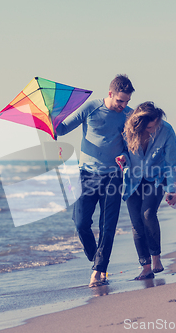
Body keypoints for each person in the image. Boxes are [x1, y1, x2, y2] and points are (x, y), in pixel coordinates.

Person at [56, 74, 135, 287]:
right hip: (86, 175)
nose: (123, 105)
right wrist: (49, 123)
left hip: (113, 177)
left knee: (107, 226)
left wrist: (125, 157)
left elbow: (131, 148)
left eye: (126, 101)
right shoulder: (90, 108)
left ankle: (99, 270)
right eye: (120, 101)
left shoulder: (128, 115)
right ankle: (96, 259)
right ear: (110, 94)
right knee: (80, 223)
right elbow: (62, 129)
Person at [116, 101, 176, 280]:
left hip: (156, 178)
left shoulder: (166, 131)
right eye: (151, 126)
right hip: (132, 180)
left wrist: (171, 190)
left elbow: (171, 163)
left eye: (156, 124)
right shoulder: (127, 130)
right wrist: (123, 157)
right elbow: (124, 151)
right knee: (136, 224)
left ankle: (156, 258)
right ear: (140, 125)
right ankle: (145, 266)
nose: (154, 128)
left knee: (148, 214)